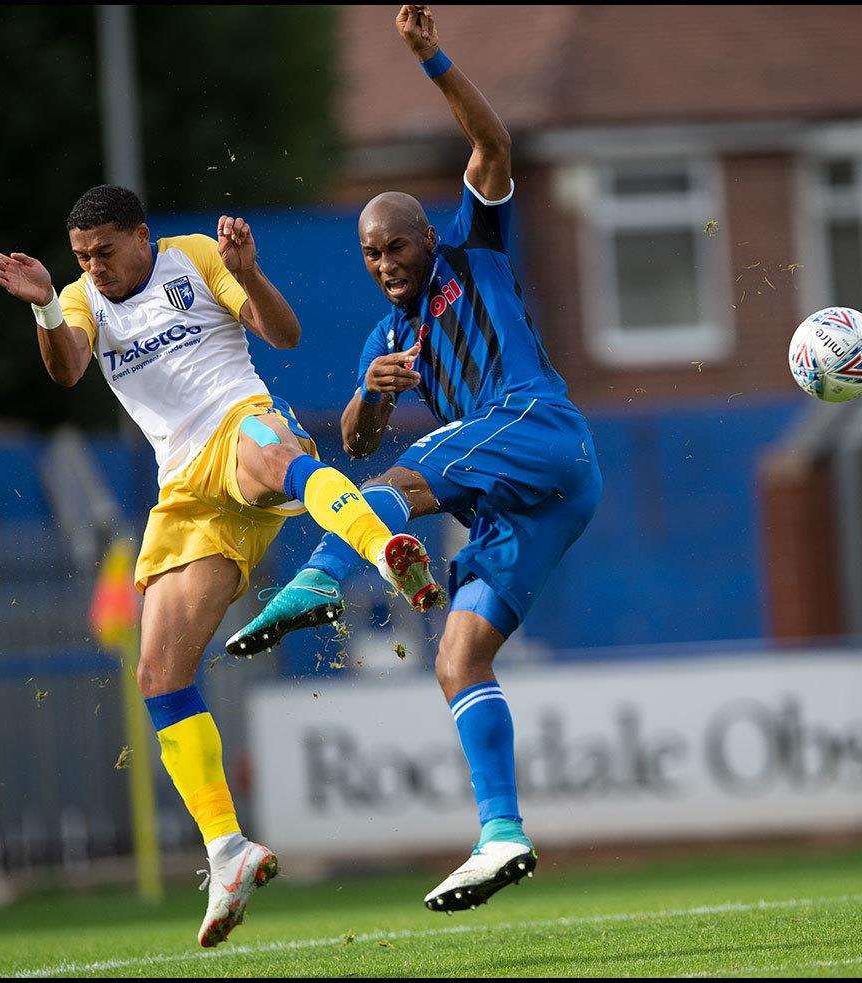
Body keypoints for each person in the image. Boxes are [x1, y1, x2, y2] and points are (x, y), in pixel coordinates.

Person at [0, 186, 444, 947]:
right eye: (81, 257)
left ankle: (379, 547)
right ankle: (228, 849)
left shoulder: (193, 256)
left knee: (271, 451)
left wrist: (248, 273)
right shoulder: (78, 298)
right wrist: (42, 307)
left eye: (104, 251)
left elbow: (283, 334)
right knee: (158, 673)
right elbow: (66, 369)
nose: (93, 267)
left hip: (238, 421)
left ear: (141, 236)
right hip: (185, 493)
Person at [231, 5, 602, 913]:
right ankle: (501, 832)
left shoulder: (474, 252)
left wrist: (431, 57)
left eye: (395, 244)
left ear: (426, 238)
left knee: (397, 484)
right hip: (536, 497)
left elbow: (494, 142)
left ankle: (319, 576)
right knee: (457, 656)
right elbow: (355, 436)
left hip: (535, 424)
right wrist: (375, 394)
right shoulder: (385, 341)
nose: (383, 260)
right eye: (368, 252)